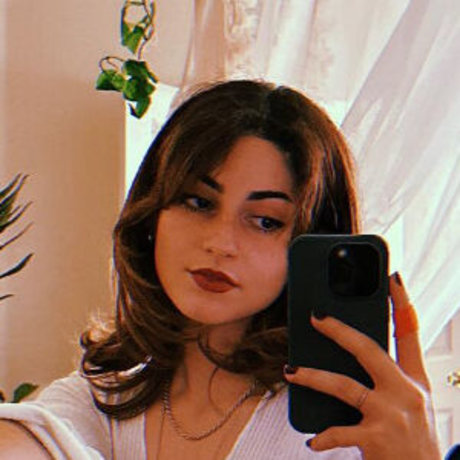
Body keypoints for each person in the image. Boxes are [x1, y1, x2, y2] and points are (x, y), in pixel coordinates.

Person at [0, 80, 441, 459]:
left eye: (266, 221)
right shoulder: (100, 400)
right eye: (198, 202)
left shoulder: (345, 431)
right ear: (153, 213)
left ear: (310, 243)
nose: (221, 244)